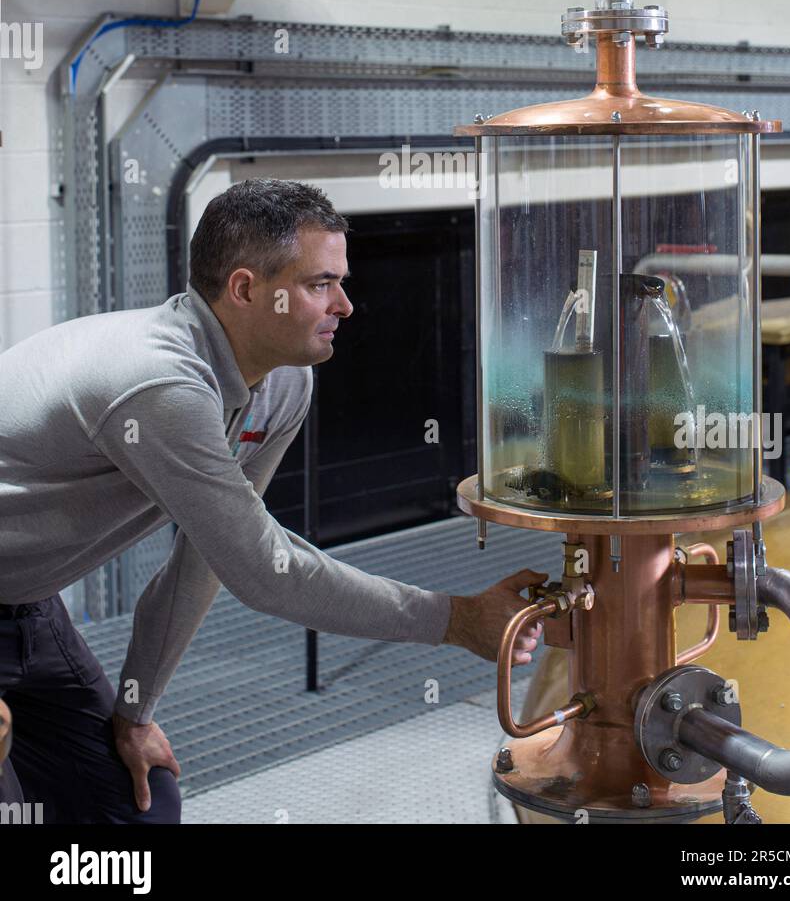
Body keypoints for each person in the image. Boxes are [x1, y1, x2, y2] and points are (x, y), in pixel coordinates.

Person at [0, 178, 544, 824]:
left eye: (341, 281)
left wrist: (135, 710)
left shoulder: (284, 387)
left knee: (140, 808)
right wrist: (454, 619)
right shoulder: (162, 383)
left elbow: (211, 558)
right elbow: (264, 571)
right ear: (246, 289)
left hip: (28, 604)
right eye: (321, 284)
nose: (345, 304)